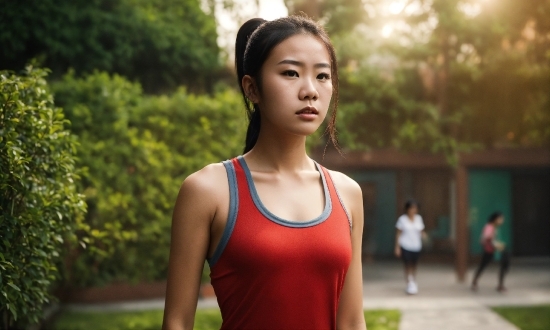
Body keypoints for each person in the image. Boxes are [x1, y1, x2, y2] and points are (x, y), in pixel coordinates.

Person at [162, 15, 366, 330]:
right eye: (290, 73)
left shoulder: (347, 194)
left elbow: (352, 322)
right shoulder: (208, 190)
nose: (310, 90)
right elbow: (176, 322)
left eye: (322, 76)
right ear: (252, 88)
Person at [471, 211, 510, 292]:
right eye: (500, 219)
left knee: (504, 264)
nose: (502, 220)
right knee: (483, 265)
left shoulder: (495, 227)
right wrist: (496, 244)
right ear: (495, 219)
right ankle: (474, 282)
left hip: (494, 249)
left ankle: (500, 285)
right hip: (490, 250)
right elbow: (487, 238)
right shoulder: (489, 227)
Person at [394, 199, 426, 295]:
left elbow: (421, 231)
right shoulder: (402, 219)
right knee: (407, 264)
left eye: (415, 208)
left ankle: (413, 281)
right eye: (411, 208)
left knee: (414, 264)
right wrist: (397, 247)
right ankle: (409, 283)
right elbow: (398, 234)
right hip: (405, 245)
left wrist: (425, 236)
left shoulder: (419, 218)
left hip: (416, 245)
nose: (413, 210)